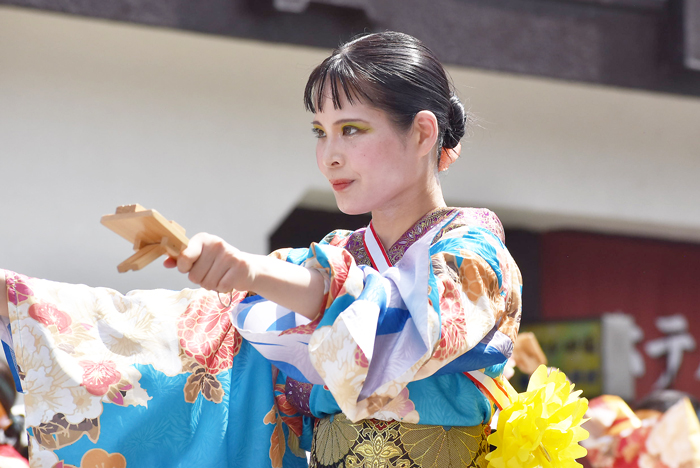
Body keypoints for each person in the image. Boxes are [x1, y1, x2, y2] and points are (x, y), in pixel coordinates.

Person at [1, 31, 522, 468]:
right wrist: (27, 305)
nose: (330, 155)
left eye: (352, 130)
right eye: (321, 132)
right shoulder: (330, 255)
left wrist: (251, 271)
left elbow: (404, 325)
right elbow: (200, 336)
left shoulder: (473, 255)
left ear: (423, 132)